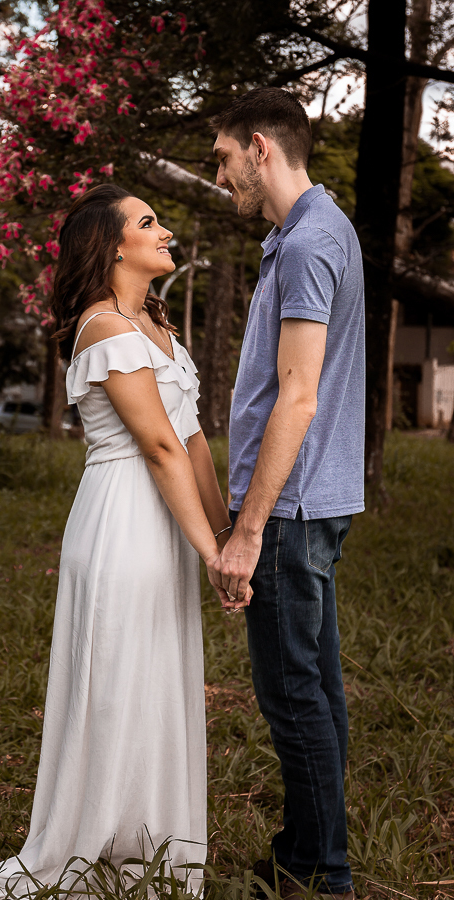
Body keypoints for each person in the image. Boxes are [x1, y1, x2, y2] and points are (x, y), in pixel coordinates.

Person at [0, 184, 248, 898]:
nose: (165, 231)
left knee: (157, 676)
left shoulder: (158, 329)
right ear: (113, 247)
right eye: (149, 222)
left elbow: (195, 444)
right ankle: (91, 844)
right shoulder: (103, 327)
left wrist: (229, 536)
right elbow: (158, 448)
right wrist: (211, 554)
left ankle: (147, 845)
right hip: (122, 519)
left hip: (168, 521)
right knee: (115, 681)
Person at [211, 88, 365, 900]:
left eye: (224, 158)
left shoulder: (307, 243)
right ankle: (306, 853)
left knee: (292, 693)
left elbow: (298, 396)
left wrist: (248, 529)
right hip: (313, 501)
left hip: (291, 509)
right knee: (316, 686)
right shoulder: (310, 232)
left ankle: (324, 875)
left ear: (260, 148)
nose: (221, 176)